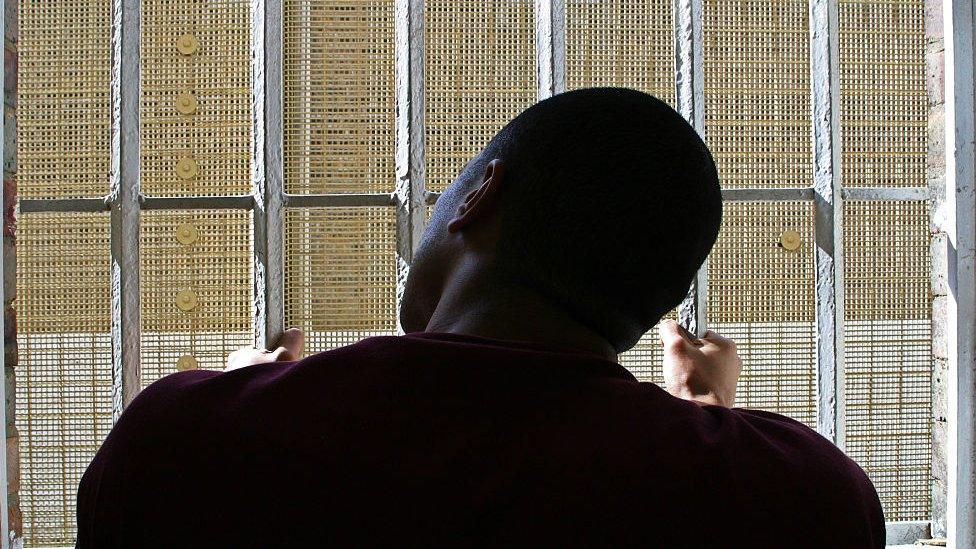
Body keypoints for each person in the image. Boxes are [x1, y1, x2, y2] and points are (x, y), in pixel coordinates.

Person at [76, 88, 884, 547]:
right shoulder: (806, 499)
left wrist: (237, 404)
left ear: (480, 196)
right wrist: (708, 419)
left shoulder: (181, 445)